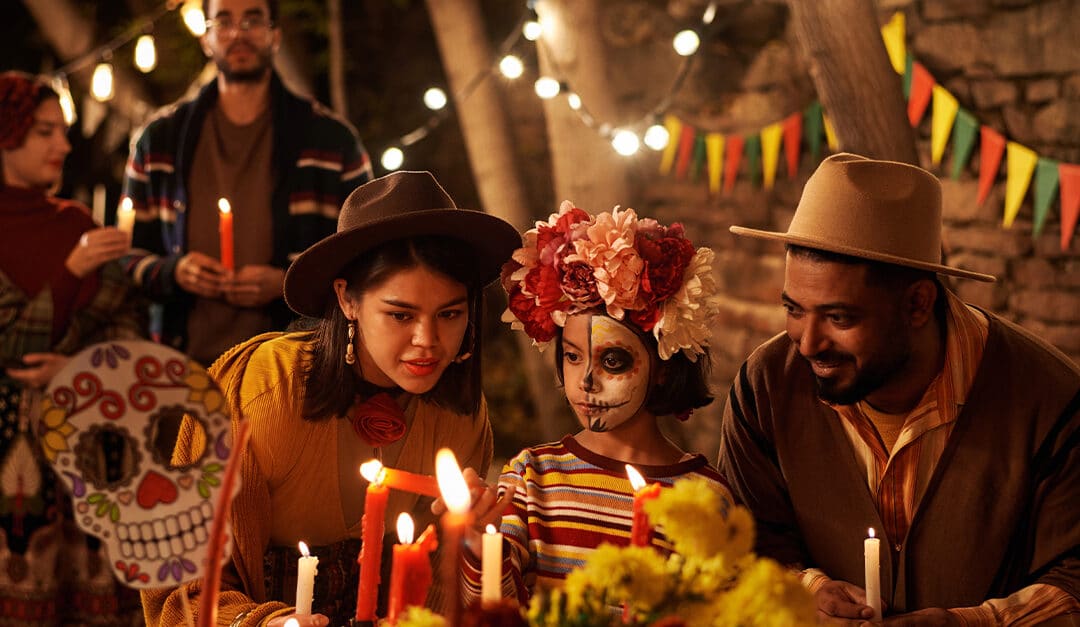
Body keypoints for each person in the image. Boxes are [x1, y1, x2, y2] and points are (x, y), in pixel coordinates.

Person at [139, 170, 520, 626]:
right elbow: (181, 576)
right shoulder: (266, 389)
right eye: (400, 314)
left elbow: (447, 592)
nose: (429, 340)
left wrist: (476, 543)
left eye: (450, 314)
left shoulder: (461, 415)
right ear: (347, 299)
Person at [718, 152, 1080, 624]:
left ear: (917, 304)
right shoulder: (764, 386)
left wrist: (972, 624)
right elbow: (741, 544)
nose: (807, 344)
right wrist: (807, 590)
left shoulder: (1048, 397)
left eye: (838, 317)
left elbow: (1074, 573)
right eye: (794, 309)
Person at [452, 201, 731, 604]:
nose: (584, 382)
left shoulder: (704, 496)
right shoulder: (532, 479)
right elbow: (492, 606)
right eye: (572, 356)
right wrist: (477, 545)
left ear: (665, 365)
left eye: (612, 360)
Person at [121, 0, 373, 366]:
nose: (238, 33)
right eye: (223, 21)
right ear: (206, 38)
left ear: (274, 36)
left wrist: (287, 283)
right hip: (179, 373)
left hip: (292, 370)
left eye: (252, 20)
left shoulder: (331, 141)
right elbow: (126, 258)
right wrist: (175, 271)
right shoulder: (159, 141)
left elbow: (366, 261)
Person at [0, 71, 145, 624]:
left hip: (86, 445)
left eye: (63, 130)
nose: (63, 144)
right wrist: (71, 270)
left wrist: (80, 367)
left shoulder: (78, 223)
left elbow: (129, 331)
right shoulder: (77, 246)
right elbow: (11, 347)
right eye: (44, 131)